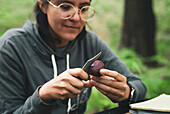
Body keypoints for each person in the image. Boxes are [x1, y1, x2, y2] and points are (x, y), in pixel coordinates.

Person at [0, 0, 147, 113]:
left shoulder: (90, 42)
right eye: (65, 6)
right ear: (43, 5)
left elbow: (138, 85)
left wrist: (127, 92)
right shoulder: (11, 47)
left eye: (84, 8)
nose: (76, 17)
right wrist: (43, 96)